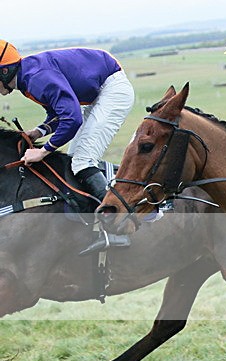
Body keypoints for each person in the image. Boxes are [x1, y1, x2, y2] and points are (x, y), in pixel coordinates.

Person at [0, 40, 135, 251]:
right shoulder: (28, 78)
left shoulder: (35, 78)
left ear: (5, 71)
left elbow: (72, 119)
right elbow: (59, 113)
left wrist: (43, 151)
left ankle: (120, 228)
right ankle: (98, 224)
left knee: (82, 161)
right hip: (97, 94)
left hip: (111, 90)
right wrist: (38, 131)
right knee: (74, 164)